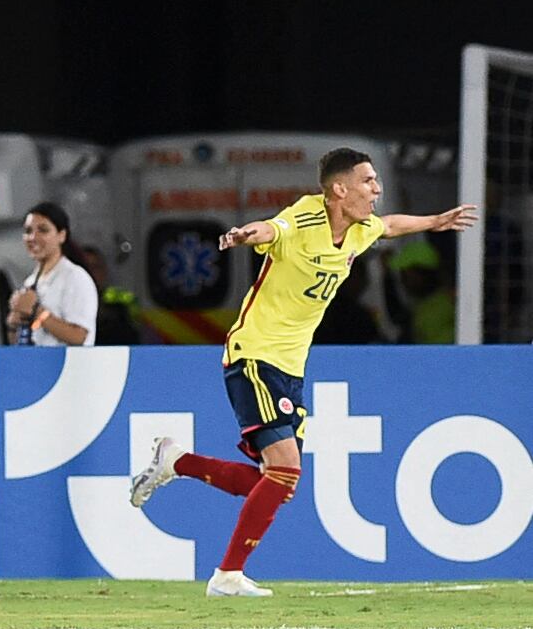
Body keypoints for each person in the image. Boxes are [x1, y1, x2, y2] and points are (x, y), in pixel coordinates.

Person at [128, 147, 476, 597]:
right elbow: (273, 228)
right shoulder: (307, 216)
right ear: (339, 189)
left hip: (291, 366)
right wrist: (245, 234)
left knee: (273, 481)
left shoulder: (359, 230)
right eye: (368, 181)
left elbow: (389, 226)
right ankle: (227, 575)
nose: (377, 189)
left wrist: (433, 221)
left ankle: (176, 461)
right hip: (254, 354)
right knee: (286, 471)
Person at [6, 201, 98, 346]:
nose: (32, 238)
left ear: (62, 235)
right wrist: (14, 324)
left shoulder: (75, 278)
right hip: (38, 365)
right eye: (28, 231)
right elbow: (19, 344)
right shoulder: (30, 282)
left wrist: (38, 312)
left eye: (43, 230)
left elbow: (80, 337)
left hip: (68, 367)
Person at [386, 239, 455, 343]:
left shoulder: (446, 304)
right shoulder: (420, 305)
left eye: (406, 275)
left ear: (421, 273)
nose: (403, 281)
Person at [82, 243, 141, 345]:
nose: (91, 272)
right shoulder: (68, 302)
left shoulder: (120, 304)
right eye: (85, 267)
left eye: (95, 267)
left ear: (104, 270)